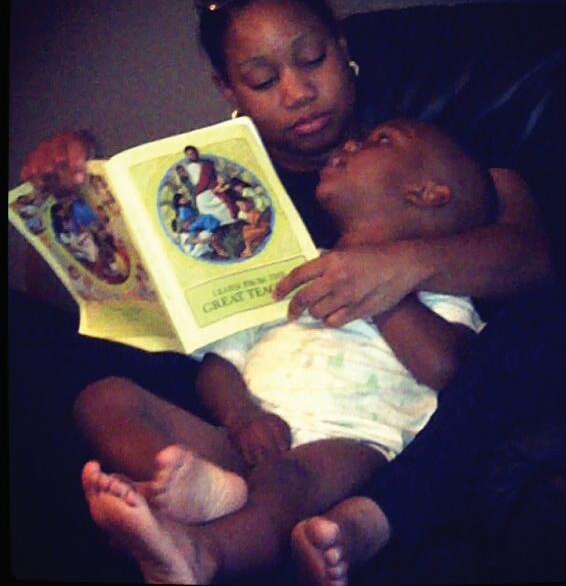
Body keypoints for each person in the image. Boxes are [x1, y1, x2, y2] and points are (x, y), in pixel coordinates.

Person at [14, 0, 566, 583]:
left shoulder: (427, 155)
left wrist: (388, 271)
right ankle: (198, 500)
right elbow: (85, 315)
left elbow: (532, 263)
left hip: (357, 426)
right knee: (72, 373)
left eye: (313, 60)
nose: (297, 93)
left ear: (343, 47)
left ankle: (221, 533)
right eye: (261, 79)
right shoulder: (213, 183)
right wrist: (72, 207)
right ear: (229, 91)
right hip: (237, 394)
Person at [79, 117, 495, 583]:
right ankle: (205, 495)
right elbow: (219, 365)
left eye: (381, 140)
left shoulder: (442, 293)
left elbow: (449, 368)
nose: (351, 143)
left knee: (285, 480)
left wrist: (373, 288)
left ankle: (201, 550)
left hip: (345, 448)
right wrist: (241, 417)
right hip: (248, 436)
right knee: (104, 398)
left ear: (426, 193)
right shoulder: (292, 265)